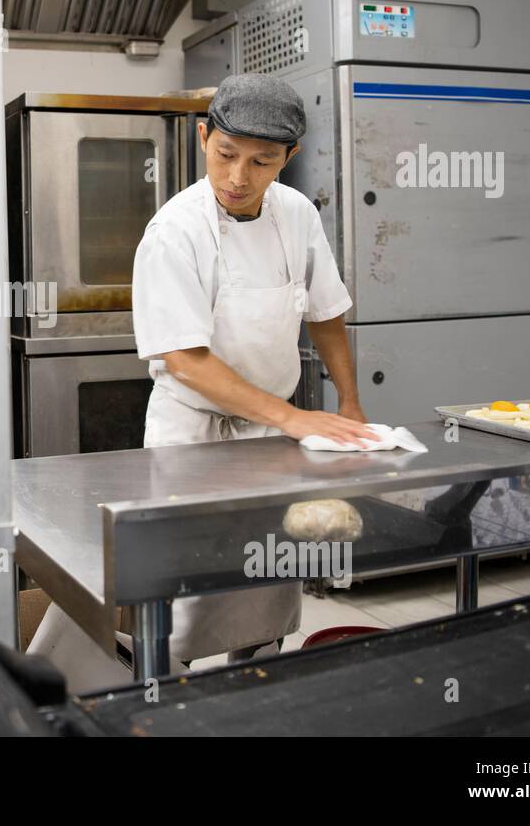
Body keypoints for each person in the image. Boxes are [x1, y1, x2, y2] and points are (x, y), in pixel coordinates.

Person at [130, 72, 377, 664]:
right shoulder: (174, 232)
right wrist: (294, 418)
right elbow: (184, 360)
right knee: (186, 586)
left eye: (262, 162)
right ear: (203, 138)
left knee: (268, 574)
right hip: (193, 433)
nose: (239, 178)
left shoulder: (296, 214)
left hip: (271, 433)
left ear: (288, 158)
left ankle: (256, 688)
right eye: (226, 155)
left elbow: (325, 314)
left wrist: (350, 407)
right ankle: (168, 693)